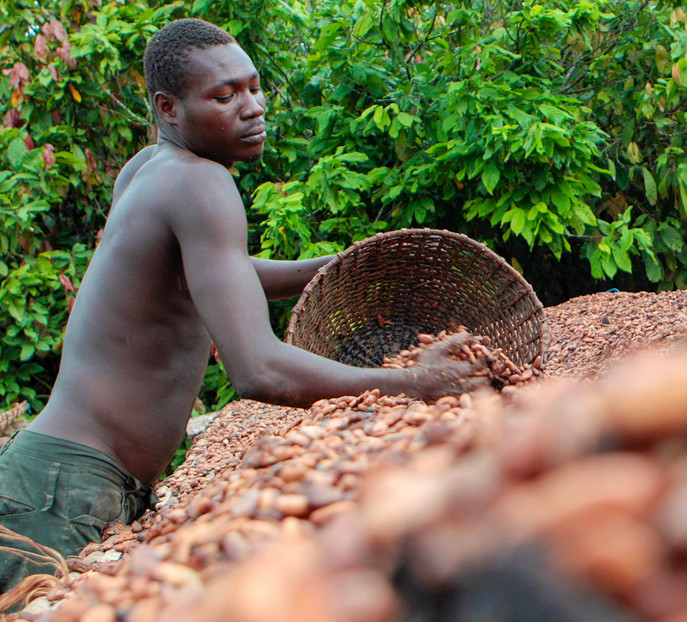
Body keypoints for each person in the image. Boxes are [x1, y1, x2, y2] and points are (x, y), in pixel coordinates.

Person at [0, 18, 487, 592]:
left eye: (254, 87)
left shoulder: (149, 168)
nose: (252, 107)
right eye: (225, 96)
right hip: (62, 490)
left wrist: (344, 266)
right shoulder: (200, 183)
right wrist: (413, 384)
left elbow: (218, 274)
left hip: (63, 476)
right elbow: (258, 370)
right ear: (168, 107)